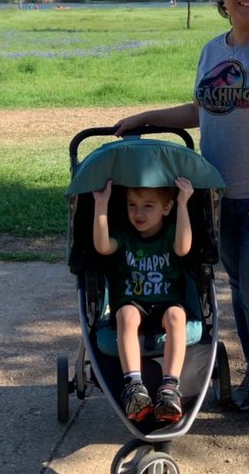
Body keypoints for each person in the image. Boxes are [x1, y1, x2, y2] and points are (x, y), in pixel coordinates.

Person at [115, 0, 249, 426]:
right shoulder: (212, 50)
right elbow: (206, 110)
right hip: (219, 199)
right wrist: (149, 117)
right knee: (241, 288)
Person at [92, 177, 194, 426]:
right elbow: (103, 246)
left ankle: (169, 387)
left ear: (166, 208)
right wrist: (101, 205)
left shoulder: (171, 232)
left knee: (177, 317)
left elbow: (183, 248)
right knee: (125, 315)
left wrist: (183, 204)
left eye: (148, 206)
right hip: (132, 301)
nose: (138, 213)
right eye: (131, 205)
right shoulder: (125, 236)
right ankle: (134, 386)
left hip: (165, 302)